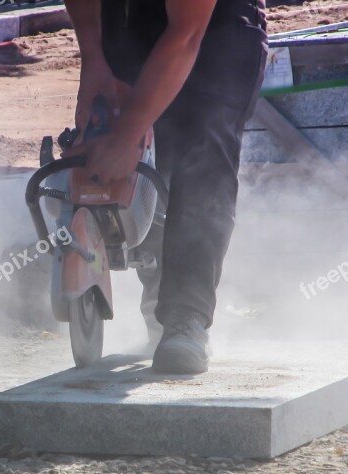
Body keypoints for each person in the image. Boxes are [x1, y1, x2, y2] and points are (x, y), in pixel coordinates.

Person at [63, 0, 267, 374]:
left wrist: (128, 135)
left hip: (215, 31)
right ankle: (158, 305)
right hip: (127, 19)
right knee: (138, 160)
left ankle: (185, 319)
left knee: (203, 152)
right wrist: (92, 58)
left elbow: (187, 34)